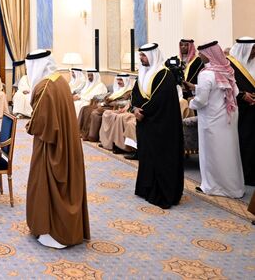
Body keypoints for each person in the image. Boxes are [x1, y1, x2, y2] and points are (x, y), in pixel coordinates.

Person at [24, 50, 89, 249]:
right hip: (67, 141)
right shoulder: (60, 80)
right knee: (67, 184)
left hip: (50, 147)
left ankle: (52, 231)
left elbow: (41, 124)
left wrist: (29, 126)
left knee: (44, 184)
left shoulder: (44, 87)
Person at [188, 41, 245, 198]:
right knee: (228, 151)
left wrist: (191, 102)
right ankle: (234, 187)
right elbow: (230, 91)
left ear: (208, 55)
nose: (199, 55)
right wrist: (195, 88)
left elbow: (202, 100)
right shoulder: (227, 70)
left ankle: (213, 187)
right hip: (229, 117)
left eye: (201, 53)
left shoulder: (206, 74)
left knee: (211, 154)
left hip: (212, 120)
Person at [131, 43, 184, 209]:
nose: (141, 58)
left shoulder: (164, 74)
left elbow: (159, 100)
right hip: (145, 125)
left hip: (161, 126)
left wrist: (143, 111)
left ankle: (161, 192)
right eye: (140, 55)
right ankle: (146, 188)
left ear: (152, 55)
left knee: (160, 159)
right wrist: (135, 109)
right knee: (146, 157)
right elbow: (135, 93)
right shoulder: (142, 73)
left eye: (144, 55)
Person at [227, 36, 255, 185]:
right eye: (253, 49)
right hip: (239, 110)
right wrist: (243, 95)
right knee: (243, 141)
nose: (254, 52)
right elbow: (226, 87)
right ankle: (243, 174)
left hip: (253, 110)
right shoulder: (230, 65)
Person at [85, 74, 134, 142]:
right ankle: (89, 135)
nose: (118, 82)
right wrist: (104, 102)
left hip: (117, 108)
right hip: (109, 106)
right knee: (88, 109)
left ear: (126, 81)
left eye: (121, 80)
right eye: (118, 80)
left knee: (95, 113)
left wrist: (114, 103)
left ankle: (93, 137)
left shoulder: (129, 91)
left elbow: (127, 102)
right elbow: (108, 97)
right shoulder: (117, 89)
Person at [75, 69, 108, 136]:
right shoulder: (88, 84)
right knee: (74, 103)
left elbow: (94, 97)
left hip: (91, 102)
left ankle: (79, 128)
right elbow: (82, 93)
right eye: (88, 75)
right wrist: (77, 96)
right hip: (83, 100)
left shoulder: (100, 86)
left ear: (95, 76)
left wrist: (81, 98)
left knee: (79, 105)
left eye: (91, 75)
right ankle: (74, 126)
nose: (89, 77)